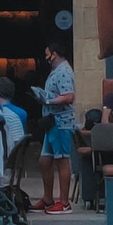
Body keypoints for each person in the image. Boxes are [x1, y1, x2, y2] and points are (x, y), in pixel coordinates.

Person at [38, 43, 77, 213]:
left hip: (61, 123)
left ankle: (64, 202)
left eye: (47, 54)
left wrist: (48, 101)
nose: (46, 57)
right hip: (52, 122)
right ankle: (48, 198)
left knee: (62, 160)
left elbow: (68, 97)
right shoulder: (57, 71)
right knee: (45, 160)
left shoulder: (63, 72)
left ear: (54, 54)